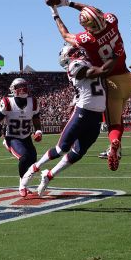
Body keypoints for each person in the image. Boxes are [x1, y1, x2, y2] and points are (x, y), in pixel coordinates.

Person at [47, 0, 131, 171]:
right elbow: (94, 10)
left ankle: (114, 145)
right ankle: (115, 145)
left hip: (112, 82)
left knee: (113, 123)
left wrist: (55, 12)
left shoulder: (88, 40)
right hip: (127, 78)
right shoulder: (112, 20)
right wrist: (69, 2)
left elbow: (66, 36)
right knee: (119, 119)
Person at [24, 44, 114, 196]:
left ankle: (49, 176)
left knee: (79, 152)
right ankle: (34, 167)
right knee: (61, 149)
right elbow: (103, 70)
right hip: (83, 111)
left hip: (97, 114)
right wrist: (116, 55)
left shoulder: (88, 62)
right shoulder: (74, 66)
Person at [0, 78, 43, 197]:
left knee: (33, 161)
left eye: (24, 85)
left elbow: (36, 120)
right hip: (12, 138)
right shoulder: (8, 102)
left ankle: (24, 184)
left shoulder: (33, 102)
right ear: (13, 89)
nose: (23, 88)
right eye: (19, 86)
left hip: (26, 137)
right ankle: (22, 186)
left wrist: (38, 131)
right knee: (24, 158)